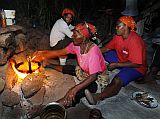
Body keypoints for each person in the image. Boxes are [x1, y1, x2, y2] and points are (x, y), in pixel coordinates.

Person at [27, 22, 107, 118]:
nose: (72, 36)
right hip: (84, 72)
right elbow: (59, 52)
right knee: (70, 68)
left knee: (77, 92)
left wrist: (74, 89)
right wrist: (42, 53)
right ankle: (49, 65)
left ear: (84, 37)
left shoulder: (93, 51)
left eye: (75, 33)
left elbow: (94, 76)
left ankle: (45, 109)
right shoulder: (76, 45)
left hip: (97, 78)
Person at [84, 16, 147, 105]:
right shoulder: (118, 37)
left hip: (136, 67)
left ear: (125, 26)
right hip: (123, 60)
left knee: (117, 80)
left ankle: (97, 97)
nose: (115, 27)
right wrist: (89, 52)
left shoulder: (135, 41)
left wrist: (116, 65)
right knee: (104, 53)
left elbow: (136, 64)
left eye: (118, 26)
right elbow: (106, 48)